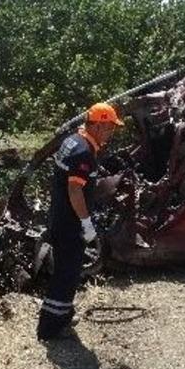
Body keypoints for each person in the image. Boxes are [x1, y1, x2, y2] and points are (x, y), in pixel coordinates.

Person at [37, 102, 123, 341]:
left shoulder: (72, 141)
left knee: (69, 272)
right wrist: (86, 223)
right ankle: (50, 329)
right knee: (66, 274)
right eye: (109, 128)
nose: (111, 133)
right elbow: (75, 191)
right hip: (69, 223)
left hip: (59, 217)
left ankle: (63, 315)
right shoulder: (83, 153)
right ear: (97, 125)